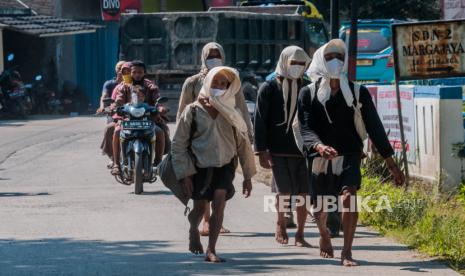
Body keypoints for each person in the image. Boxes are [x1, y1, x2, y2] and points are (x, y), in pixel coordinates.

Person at [297, 39, 405, 266]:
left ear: (345, 61)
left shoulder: (358, 92)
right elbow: (305, 127)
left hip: (349, 155)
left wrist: (391, 164)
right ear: (320, 60)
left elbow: (374, 127)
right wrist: (319, 146)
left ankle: (347, 251)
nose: (335, 61)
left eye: (339, 57)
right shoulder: (308, 93)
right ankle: (324, 235)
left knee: (349, 198)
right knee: (321, 206)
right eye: (329, 57)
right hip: (319, 157)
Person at [172, 66, 256, 262]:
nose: (218, 86)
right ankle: (193, 228)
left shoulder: (232, 112)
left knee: (219, 205)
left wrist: (248, 176)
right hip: (200, 166)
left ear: (229, 87)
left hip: (225, 164)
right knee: (200, 209)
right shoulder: (192, 111)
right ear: (207, 83)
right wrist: (184, 175)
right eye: (215, 82)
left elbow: (243, 144)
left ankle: (211, 249)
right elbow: (178, 145)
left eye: (223, 83)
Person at [254, 46, 311, 247]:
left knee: (304, 193)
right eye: (293, 63)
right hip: (277, 150)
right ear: (285, 61)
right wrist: (261, 150)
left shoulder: (309, 87)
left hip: (304, 150)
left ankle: (301, 233)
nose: (297, 67)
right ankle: (281, 223)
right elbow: (260, 120)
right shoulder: (269, 88)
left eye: (301, 64)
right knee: (283, 191)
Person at [111, 60, 168, 176]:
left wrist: (160, 108)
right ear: (130, 73)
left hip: (148, 119)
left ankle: (158, 162)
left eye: (140, 72)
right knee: (117, 131)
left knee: (160, 132)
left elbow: (157, 98)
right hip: (128, 119)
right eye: (134, 72)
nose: (137, 74)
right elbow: (119, 99)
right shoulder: (124, 86)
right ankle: (116, 164)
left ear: (144, 73)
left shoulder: (150, 86)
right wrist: (116, 105)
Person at [98, 61, 126, 167]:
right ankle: (114, 158)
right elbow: (104, 97)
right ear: (116, 70)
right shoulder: (110, 84)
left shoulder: (133, 83)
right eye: (119, 68)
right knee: (110, 130)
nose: (121, 70)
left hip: (130, 114)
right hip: (115, 113)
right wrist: (102, 107)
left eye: (123, 68)